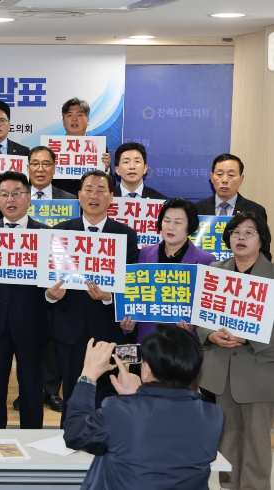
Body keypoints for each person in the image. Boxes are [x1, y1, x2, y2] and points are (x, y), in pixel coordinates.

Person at [63, 327, 225, 490]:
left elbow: (74, 434)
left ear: (147, 369)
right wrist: (137, 396)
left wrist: (88, 376)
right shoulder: (214, 415)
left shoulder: (118, 410)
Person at [46, 170, 139, 424]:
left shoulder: (126, 235)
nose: (94, 195)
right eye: (88, 189)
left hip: (109, 330)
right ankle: (71, 440)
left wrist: (109, 297)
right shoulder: (60, 232)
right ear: (79, 195)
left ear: (111, 197)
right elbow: (47, 282)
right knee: (72, 394)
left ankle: (106, 443)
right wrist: (50, 296)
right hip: (69, 330)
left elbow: (132, 283)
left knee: (108, 396)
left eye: (101, 190)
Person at [198, 211, 274, 490]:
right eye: (235, 232)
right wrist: (210, 335)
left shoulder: (272, 276)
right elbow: (202, 317)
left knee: (256, 443)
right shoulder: (215, 271)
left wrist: (249, 338)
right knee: (227, 440)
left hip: (259, 371)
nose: (241, 237)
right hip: (221, 371)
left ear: (261, 240)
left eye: (249, 232)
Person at [0, 171, 49, 429]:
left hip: (32, 322)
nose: (10, 199)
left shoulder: (46, 235)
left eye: (17, 193)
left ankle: (33, 438)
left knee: (32, 388)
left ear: (29, 198)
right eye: (4, 194)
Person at [119, 198, 215, 343]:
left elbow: (207, 310)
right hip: (148, 340)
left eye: (178, 222)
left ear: (189, 226)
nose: (170, 227)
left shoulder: (205, 260)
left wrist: (193, 329)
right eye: (166, 221)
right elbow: (135, 297)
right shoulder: (145, 254)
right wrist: (128, 325)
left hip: (183, 343)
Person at [27, 144, 73, 413]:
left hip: (58, 275)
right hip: (25, 274)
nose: (40, 169)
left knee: (54, 336)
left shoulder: (70, 200)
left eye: (46, 164)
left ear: (55, 168)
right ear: (28, 167)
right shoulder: (18, 196)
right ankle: (30, 389)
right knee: (28, 335)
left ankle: (52, 390)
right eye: (35, 163)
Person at [194, 153, 269, 259]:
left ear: (241, 179)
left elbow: (265, 254)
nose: (225, 180)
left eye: (231, 175)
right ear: (212, 177)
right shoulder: (195, 210)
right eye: (219, 174)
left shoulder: (256, 211)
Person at [54, 98, 112, 197]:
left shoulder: (98, 147)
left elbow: (111, 185)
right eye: (69, 115)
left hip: (91, 200)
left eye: (79, 115)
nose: (74, 119)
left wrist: (106, 169)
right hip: (60, 201)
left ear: (87, 120)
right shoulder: (53, 148)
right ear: (63, 121)